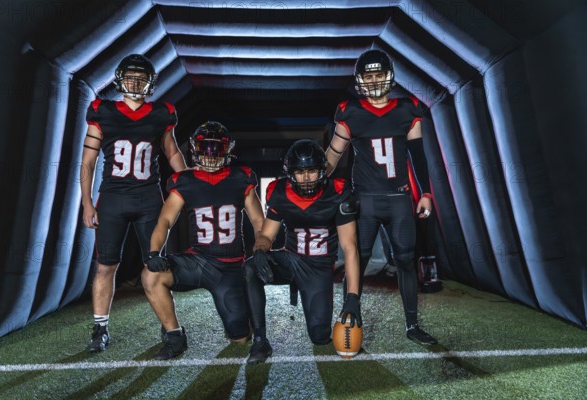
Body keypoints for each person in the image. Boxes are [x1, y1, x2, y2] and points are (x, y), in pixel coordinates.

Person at [325, 49, 437, 345]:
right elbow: (334, 155)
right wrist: (316, 182)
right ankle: (352, 319)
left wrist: (425, 192)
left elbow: (417, 156)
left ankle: (412, 325)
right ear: (360, 79)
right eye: (369, 75)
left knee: (405, 259)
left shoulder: (408, 108)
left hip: (399, 198)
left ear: (388, 76)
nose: (374, 81)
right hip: (365, 200)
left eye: (378, 74)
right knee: (356, 260)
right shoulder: (350, 111)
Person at [81, 54, 187, 352]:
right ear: (120, 78)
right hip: (112, 197)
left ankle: (171, 330)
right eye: (131, 76)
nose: (135, 82)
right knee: (105, 266)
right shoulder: (102, 110)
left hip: (148, 198)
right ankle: (100, 329)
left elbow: (172, 152)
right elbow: (88, 161)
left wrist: (190, 183)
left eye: (141, 77)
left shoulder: (162, 112)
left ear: (151, 82)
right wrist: (87, 202)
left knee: (154, 265)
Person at [141, 121, 265, 360]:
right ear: (195, 149)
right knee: (151, 274)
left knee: (240, 338)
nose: (210, 154)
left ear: (227, 149)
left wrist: (260, 250)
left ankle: (244, 314)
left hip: (230, 268)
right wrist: (154, 253)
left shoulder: (242, 178)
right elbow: (165, 221)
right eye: (205, 147)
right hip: (197, 261)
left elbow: (259, 223)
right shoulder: (184, 181)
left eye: (215, 148)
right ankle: (174, 336)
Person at [244, 139, 362, 364]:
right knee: (250, 267)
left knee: (319, 336)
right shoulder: (279, 192)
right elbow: (267, 236)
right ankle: (260, 340)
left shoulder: (337, 191)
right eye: (300, 172)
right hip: (291, 260)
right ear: (291, 173)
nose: (306, 177)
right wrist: (259, 251)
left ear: (322, 171)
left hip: (319, 269)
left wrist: (352, 297)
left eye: (311, 171)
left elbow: (350, 248)